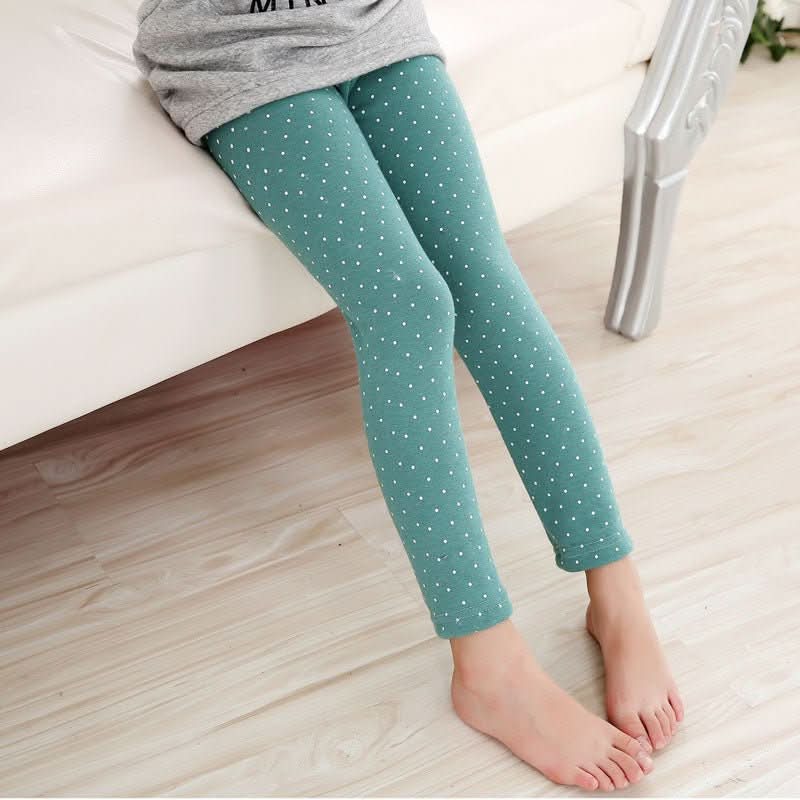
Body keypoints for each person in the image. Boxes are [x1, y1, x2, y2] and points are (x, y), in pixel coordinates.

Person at [132, 0, 683, 791]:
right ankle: (487, 666)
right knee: (406, 304)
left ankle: (616, 592)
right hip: (237, 51)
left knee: (485, 280)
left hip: (373, 20)